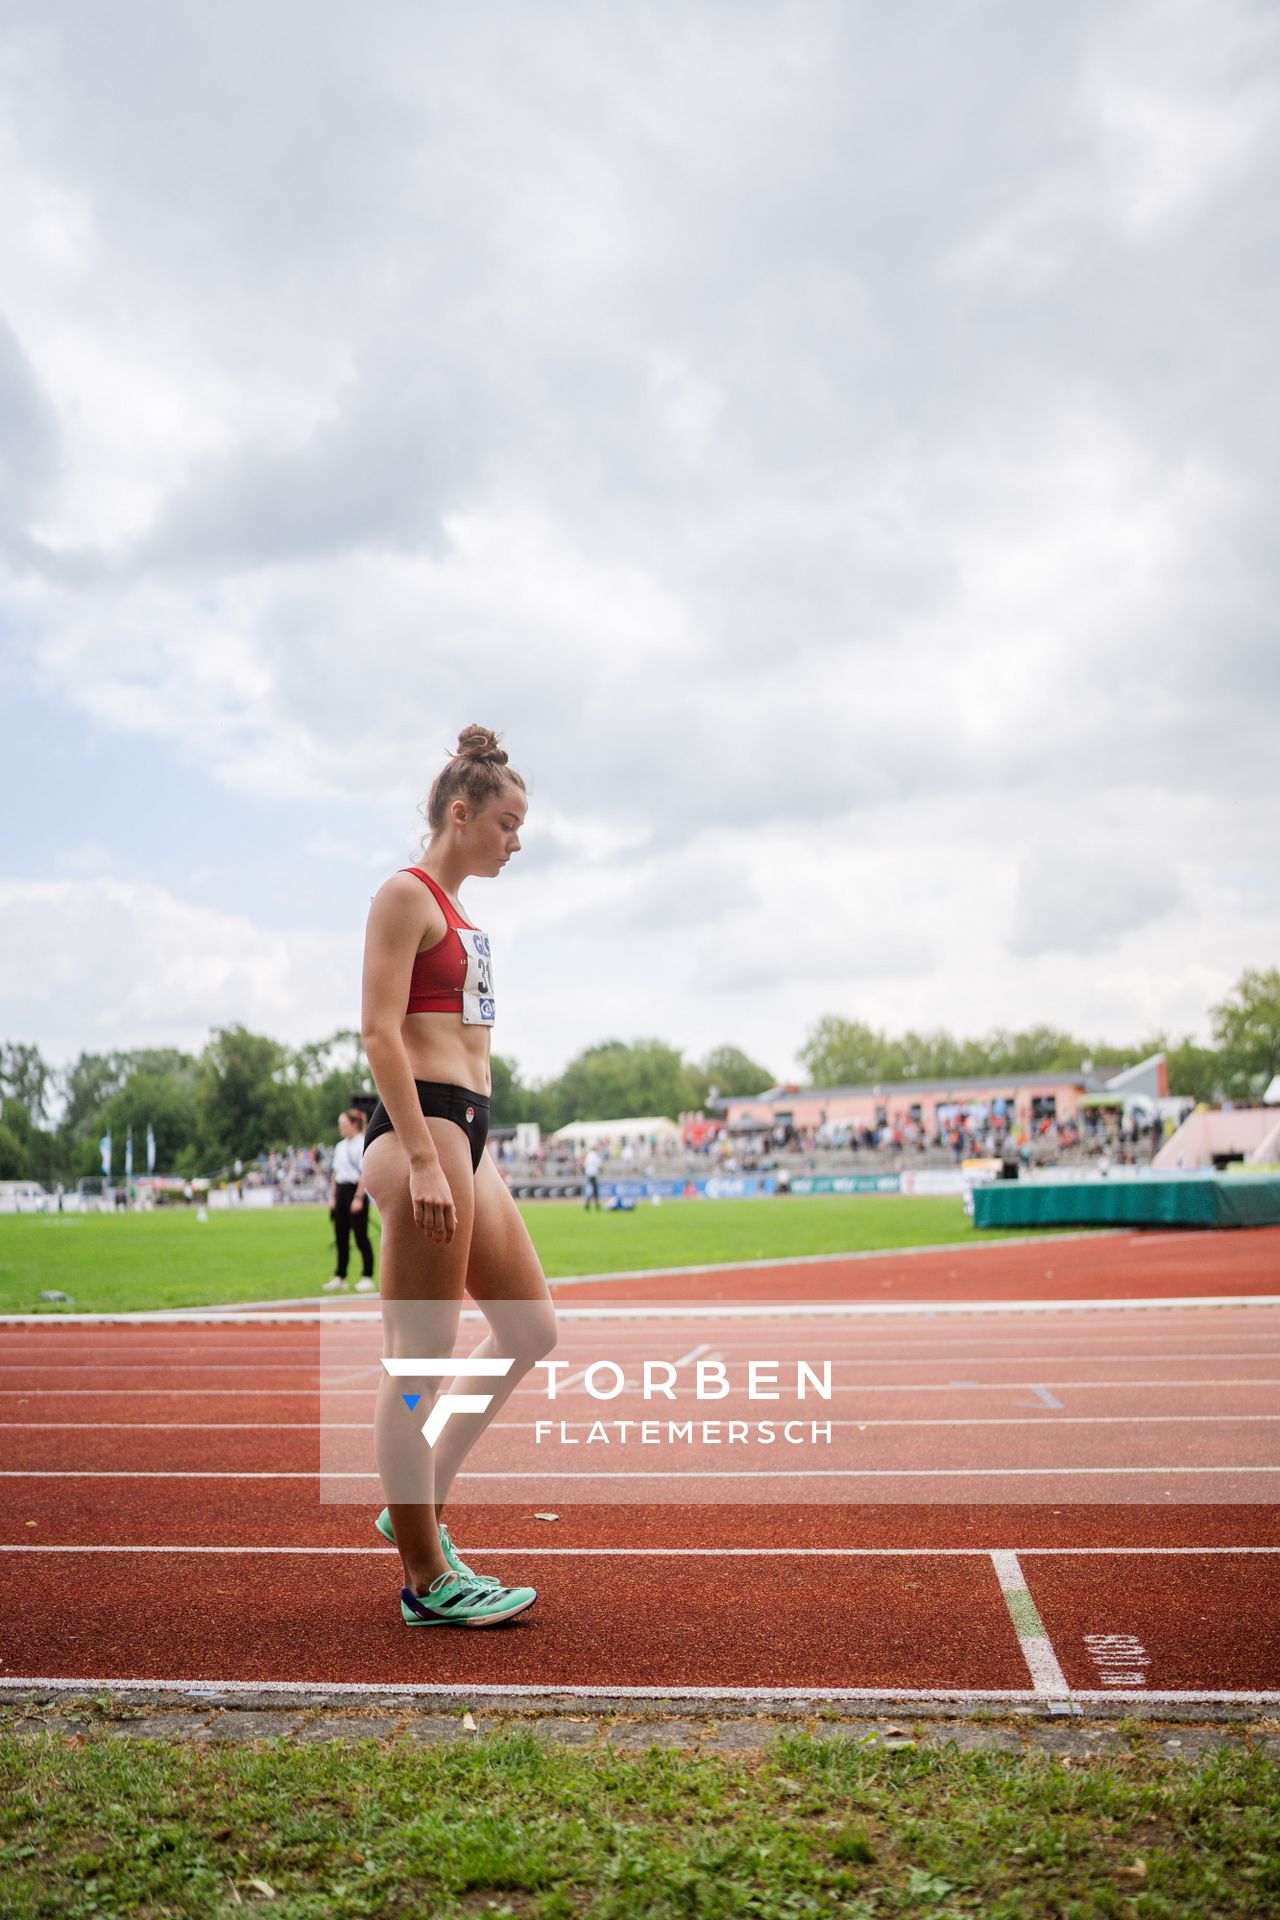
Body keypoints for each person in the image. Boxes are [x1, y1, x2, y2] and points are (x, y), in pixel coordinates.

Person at [360, 725, 556, 1628]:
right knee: (418, 1367)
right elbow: (379, 1033)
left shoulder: (468, 919)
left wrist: (466, 1149)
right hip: (423, 1133)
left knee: (530, 1327)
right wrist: (428, 1157)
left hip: (466, 1134)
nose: (518, 840)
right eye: (508, 823)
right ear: (459, 811)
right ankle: (425, 1579)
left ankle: (416, 1499)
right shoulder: (407, 895)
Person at [326, 1109, 375, 1292]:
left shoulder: (362, 1143)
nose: (341, 1128)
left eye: (343, 1124)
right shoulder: (340, 1146)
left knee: (361, 1236)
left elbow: (364, 1173)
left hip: (355, 1191)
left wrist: (358, 1197)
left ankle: (367, 1275)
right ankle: (340, 1275)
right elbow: (336, 1173)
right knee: (341, 1236)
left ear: (353, 1124)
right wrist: (332, 1196)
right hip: (341, 1190)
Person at [582, 1144, 602, 1210]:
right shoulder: (594, 1155)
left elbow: (584, 1165)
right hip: (593, 1174)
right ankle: (596, 1205)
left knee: (591, 1189)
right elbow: (599, 1164)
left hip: (589, 1174)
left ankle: (588, 1204)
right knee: (594, 1190)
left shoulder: (588, 1155)